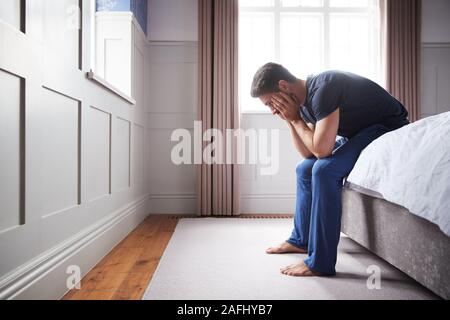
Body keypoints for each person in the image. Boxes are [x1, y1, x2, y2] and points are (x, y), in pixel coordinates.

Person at [250, 63, 409, 277]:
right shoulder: (303, 104)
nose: (272, 110)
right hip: (359, 132)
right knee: (304, 169)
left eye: (271, 102)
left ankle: (320, 263)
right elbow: (308, 154)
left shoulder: (324, 88)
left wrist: (296, 120)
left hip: (387, 125)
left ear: (283, 86)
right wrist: (290, 121)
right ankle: (301, 241)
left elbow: (322, 151)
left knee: (324, 170)